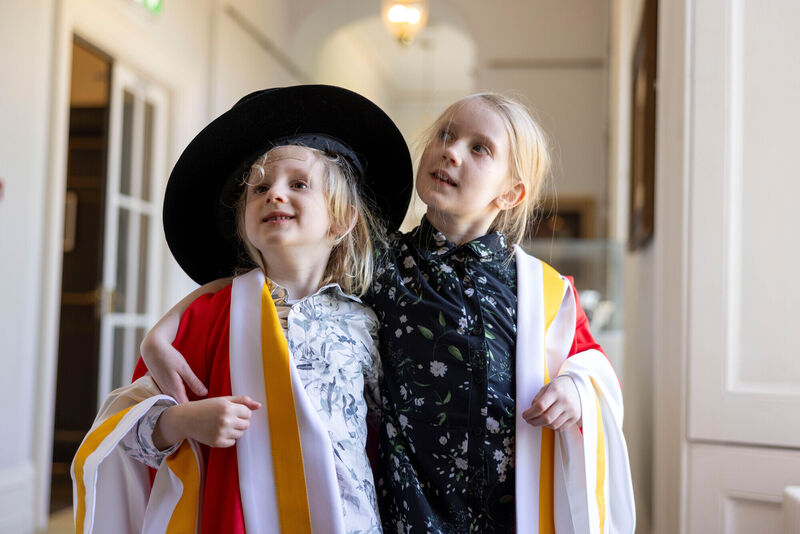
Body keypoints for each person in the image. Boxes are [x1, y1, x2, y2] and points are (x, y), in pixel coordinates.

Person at [139, 93, 635, 533]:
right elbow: (275, 272)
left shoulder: (540, 290)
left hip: (508, 510)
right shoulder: (382, 263)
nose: (451, 149)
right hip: (402, 514)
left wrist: (574, 387)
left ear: (511, 194)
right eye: (445, 133)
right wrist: (162, 331)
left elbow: (589, 362)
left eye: (478, 147)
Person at [71, 85, 413, 534]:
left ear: (342, 218)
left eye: (298, 184)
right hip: (240, 519)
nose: (274, 195)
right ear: (243, 223)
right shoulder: (210, 318)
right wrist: (181, 420)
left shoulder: (368, 323)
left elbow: (392, 436)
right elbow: (122, 438)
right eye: (259, 188)